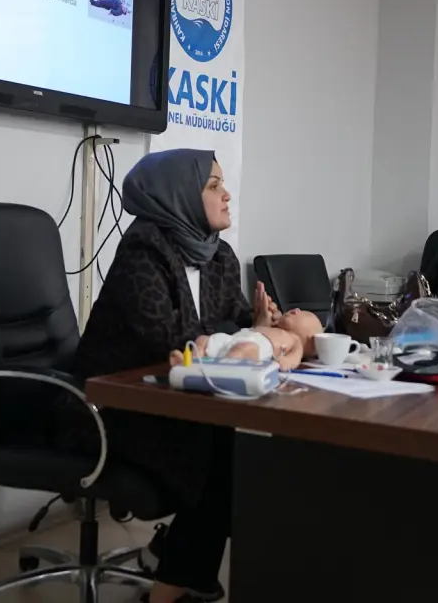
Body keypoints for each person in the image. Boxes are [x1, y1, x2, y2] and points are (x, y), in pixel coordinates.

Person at [66, 148, 275, 603]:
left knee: (245, 449)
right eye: (214, 185)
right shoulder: (143, 251)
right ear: (179, 195)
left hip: (174, 402)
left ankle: (177, 564)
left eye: (223, 184)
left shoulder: (219, 256)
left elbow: (236, 323)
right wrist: (247, 333)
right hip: (111, 408)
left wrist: (261, 325)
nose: (227, 194)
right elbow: (172, 340)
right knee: (222, 454)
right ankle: (174, 587)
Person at [169, 308, 323, 371]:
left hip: (252, 349)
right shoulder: (272, 327)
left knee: (244, 349)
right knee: (203, 339)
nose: (297, 309)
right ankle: (190, 362)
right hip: (230, 340)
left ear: (309, 339)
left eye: (305, 314)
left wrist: (285, 362)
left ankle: (222, 369)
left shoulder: (295, 340)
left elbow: (294, 358)